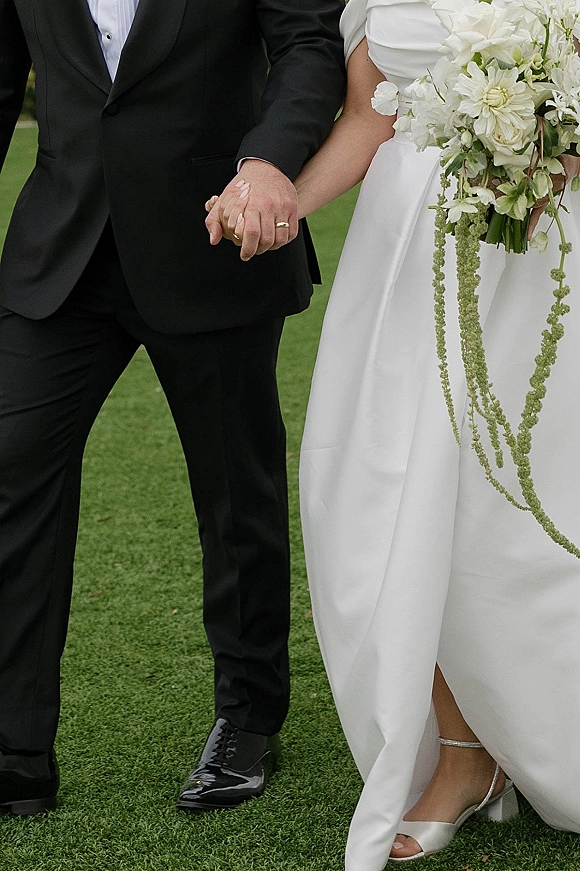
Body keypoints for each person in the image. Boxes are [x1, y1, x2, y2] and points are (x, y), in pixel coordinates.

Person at [248, 0, 579, 867]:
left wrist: (551, 159)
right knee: (392, 499)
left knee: (515, 514)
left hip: (541, 261)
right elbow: (367, 119)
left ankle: (539, 732)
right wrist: (282, 198)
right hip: (404, 268)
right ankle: (463, 758)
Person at [0, 0, 345, 816]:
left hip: (218, 237)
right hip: (62, 245)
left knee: (234, 491)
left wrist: (268, 160)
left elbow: (306, 44)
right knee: (10, 471)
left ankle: (250, 716)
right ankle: (15, 748)